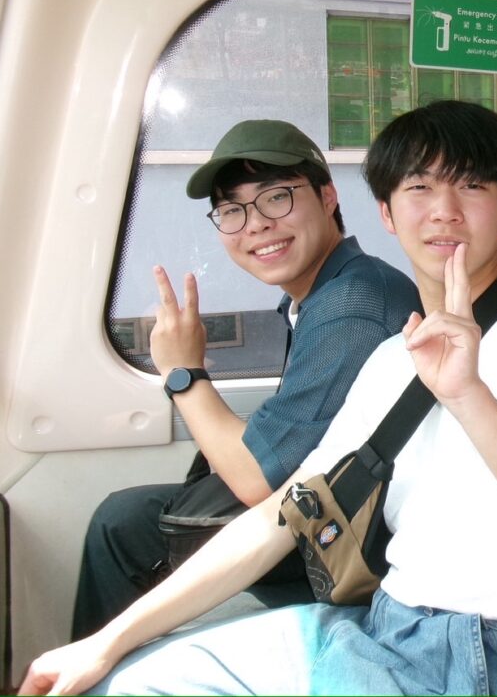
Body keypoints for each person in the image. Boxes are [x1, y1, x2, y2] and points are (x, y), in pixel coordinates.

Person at [24, 100, 497, 697]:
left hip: (482, 654)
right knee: (125, 681)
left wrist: (469, 395)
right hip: (380, 625)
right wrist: (108, 640)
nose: (444, 210)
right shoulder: (394, 357)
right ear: (387, 213)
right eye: (419, 187)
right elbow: (280, 515)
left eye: (471, 185)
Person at [71, 119, 421, 638]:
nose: (255, 224)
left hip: (354, 545)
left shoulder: (352, 305)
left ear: (327, 196)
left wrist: (183, 372)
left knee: (122, 525)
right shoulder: (325, 294)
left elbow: (258, 480)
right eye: (232, 210)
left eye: (276, 197)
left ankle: (92, 667)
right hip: (333, 510)